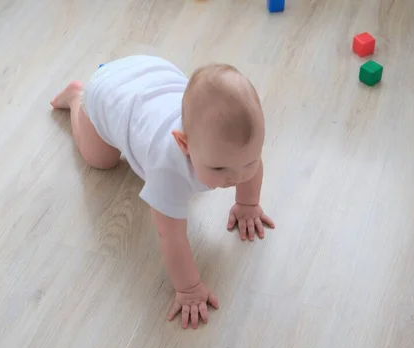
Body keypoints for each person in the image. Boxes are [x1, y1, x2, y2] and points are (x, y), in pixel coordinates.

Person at [50, 55, 275, 329]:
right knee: (101, 160)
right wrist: (189, 288)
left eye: (249, 161)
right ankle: (76, 97)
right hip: (107, 94)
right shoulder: (167, 168)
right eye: (219, 169)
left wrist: (248, 204)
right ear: (183, 144)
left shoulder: (230, 147)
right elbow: (171, 235)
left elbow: (248, 164)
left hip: (154, 74)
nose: (237, 177)